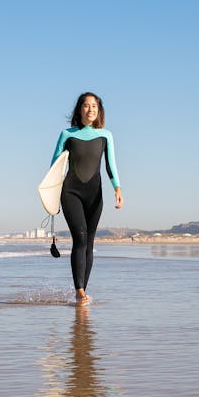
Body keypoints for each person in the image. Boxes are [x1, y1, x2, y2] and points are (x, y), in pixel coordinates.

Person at [50, 92, 124, 304]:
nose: (90, 109)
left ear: (98, 110)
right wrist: (50, 196)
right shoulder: (67, 134)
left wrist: (117, 189)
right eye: (86, 105)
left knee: (89, 242)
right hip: (70, 192)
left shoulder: (106, 135)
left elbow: (111, 164)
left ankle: (82, 288)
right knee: (80, 238)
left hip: (95, 195)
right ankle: (79, 291)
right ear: (79, 109)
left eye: (94, 106)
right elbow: (54, 166)